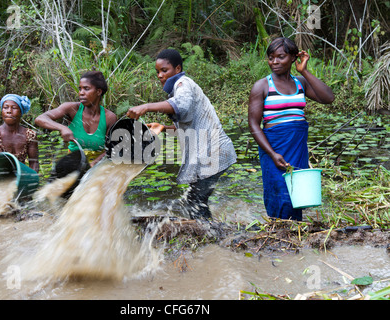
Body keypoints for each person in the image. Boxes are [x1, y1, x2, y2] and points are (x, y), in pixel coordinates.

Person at [126, 49, 237, 220]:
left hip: (213, 151)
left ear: (177, 69)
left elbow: (182, 106)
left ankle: (209, 236)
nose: (159, 75)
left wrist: (146, 106)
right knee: (195, 200)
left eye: (164, 70)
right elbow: (187, 126)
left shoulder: (183, 84)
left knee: (195, 201)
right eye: (157, 72)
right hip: (209, 152)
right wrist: (163, 128)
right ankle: (211, 232)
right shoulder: (178, 89)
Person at [248, 37, 335, 221]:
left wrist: (304, 71)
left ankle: (294, 236)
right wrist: (272, 154)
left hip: (297, 148)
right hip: (273, 149)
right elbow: (254, 125)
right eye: (271, 58)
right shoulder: (262, 86)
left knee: (297, 195)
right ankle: (278, 233)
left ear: (294, 58)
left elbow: (328, 97)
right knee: (279, 194)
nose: (274, 62)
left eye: (280, 57)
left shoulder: (300, 83)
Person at [35, 71, 117, 167]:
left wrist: (94, 164)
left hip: (99, 166)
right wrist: (62, 128)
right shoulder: (72, 109)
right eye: (80, 89)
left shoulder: (109, 117)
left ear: (98, 92)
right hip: (74, 164)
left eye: (86, 89)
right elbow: (40, 118)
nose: (81, 93)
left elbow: (111, 149)